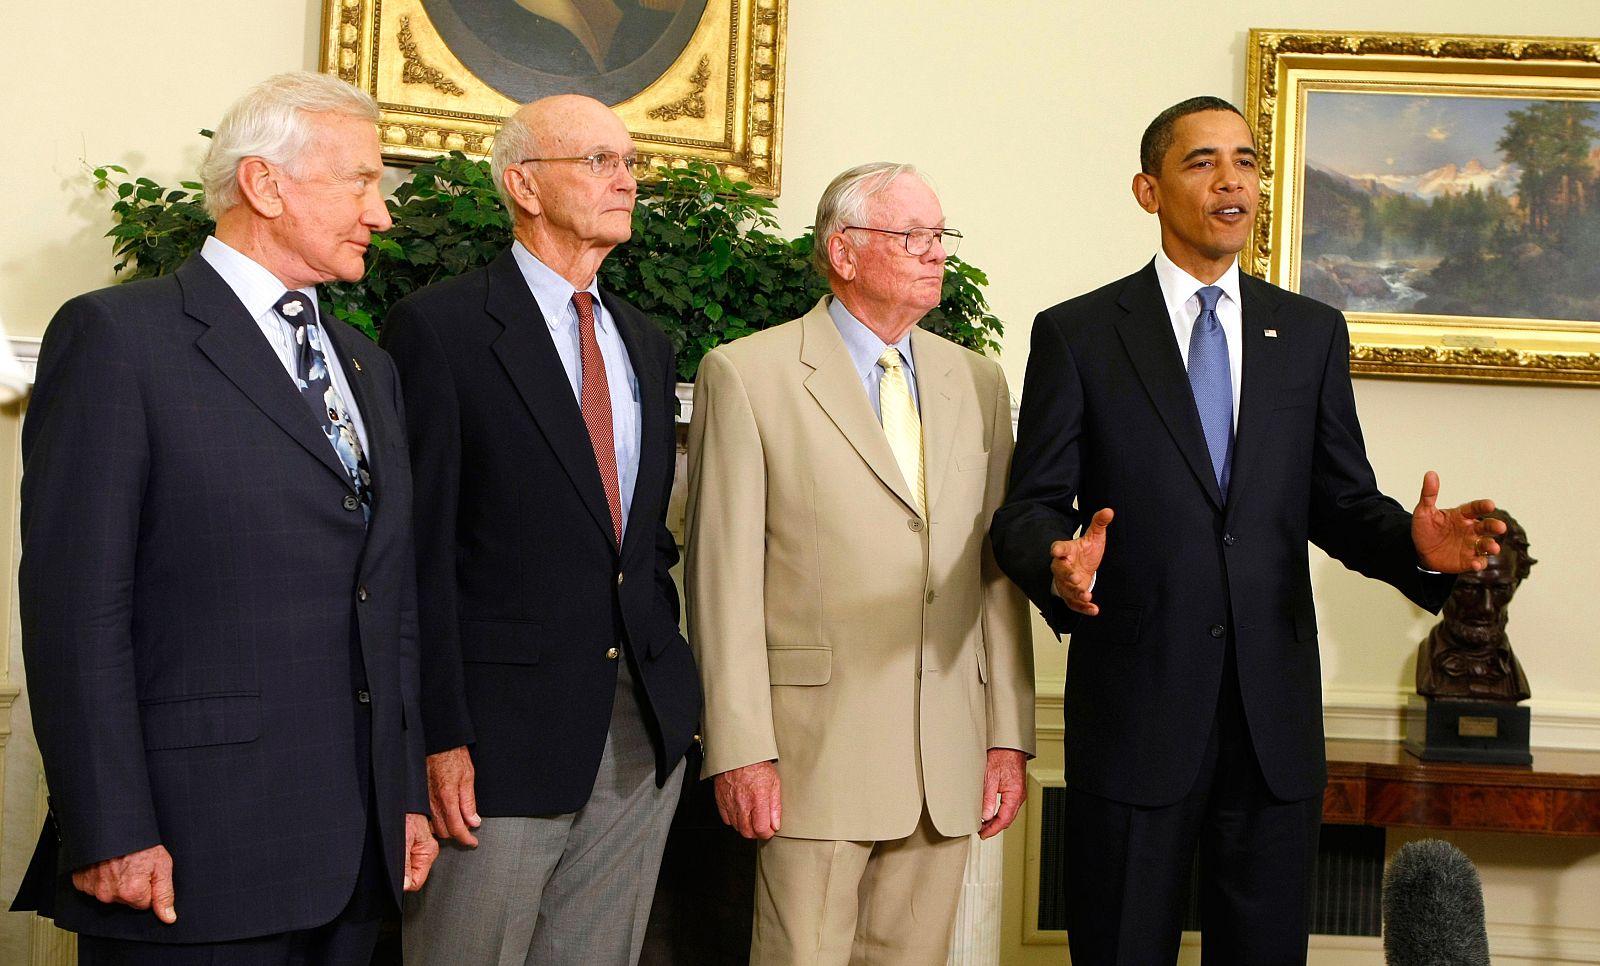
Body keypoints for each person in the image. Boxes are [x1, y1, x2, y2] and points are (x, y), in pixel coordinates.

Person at [989, 96, 1506, 965]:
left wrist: (1416, 549)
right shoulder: (1079, 335)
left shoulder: (1308, 333)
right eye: (1202, 162)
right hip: (1137, 715)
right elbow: (1027, 508)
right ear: (1148, 191)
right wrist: (1057, 564)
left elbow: (1340, 504)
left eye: (1247, 161)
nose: (1231, 181)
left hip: (1273, 725)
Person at [13, 71, 436, 964]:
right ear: (264, 183)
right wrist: (107, 823)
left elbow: (387, 599)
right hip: (188, 855)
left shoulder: (368, 367)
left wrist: (400, 794)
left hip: (356, 862)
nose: (382, 214)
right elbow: (74, 609)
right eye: (360, 183)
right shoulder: (118, 339)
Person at [685, 162, 1035, 966]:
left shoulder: (977, 382)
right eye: (911, 236)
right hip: (812, 757)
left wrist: (1008, 736)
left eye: (939, 236)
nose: (933, 253)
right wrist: (740, 748)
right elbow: (721, 583)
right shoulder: (748, 373)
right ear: (843, 253)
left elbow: (995, 575)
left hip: (948, 757)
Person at [381, 94, 700, 966]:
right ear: (524, 184)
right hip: (498, 741)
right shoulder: (440, 328)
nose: (626, 180)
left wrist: (680, 689)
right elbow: (419, 556)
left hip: (642, 731)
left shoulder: (646, 340)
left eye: (631, 163)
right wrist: (438, 737)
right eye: (599, 161)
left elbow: (641, 544)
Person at [1417, 508, 1533, 702]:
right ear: (1442, 583)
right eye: (1470, 587)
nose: (1486, 607)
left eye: (1500, 589)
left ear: (1517, 582)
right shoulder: (1428, 666)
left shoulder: (1513, 677)